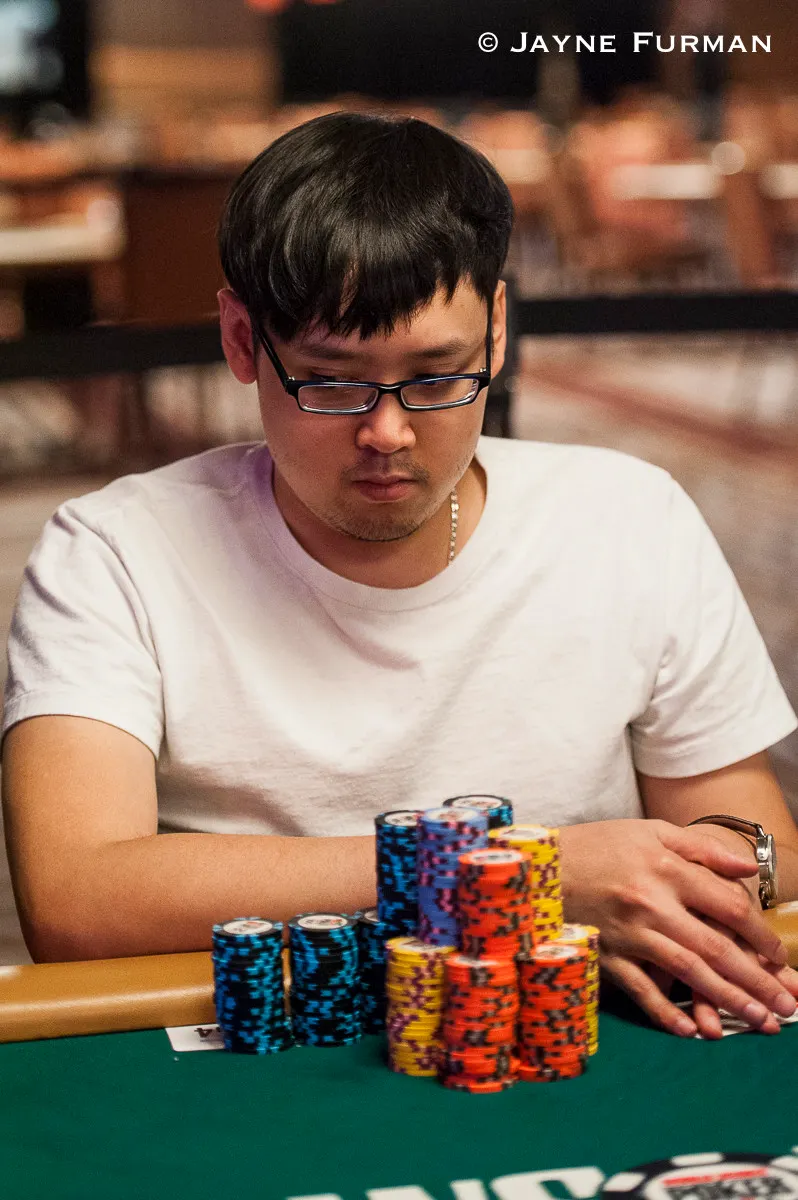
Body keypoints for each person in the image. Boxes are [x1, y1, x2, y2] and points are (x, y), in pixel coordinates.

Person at [3, 112, 798, 1043]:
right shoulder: (113, 553)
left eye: (435, 375)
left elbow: (755, 839)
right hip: (249, 1060)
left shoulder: (630, 515)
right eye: (332, 382)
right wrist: (515, 876)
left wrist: (728, 863)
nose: (388, 432)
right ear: (242, 340)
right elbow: (76, 899)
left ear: (495, 331)